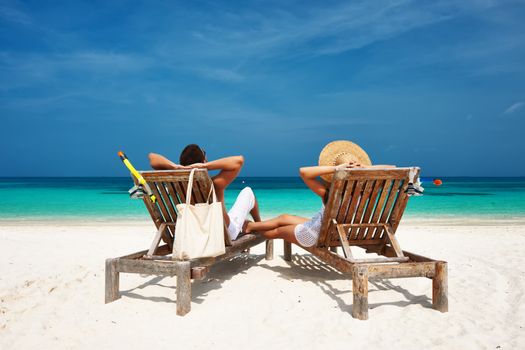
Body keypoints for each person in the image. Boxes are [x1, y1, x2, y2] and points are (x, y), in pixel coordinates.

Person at [244, 140, 394, 248]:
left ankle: (250, 233)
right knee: (284, 217)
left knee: (276, 231)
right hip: (339, 233)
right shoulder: (366, 192)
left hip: (317, 235)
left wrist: (336, 168)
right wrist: (366, 168)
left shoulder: (330, 193)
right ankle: (251, 226)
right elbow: (392, 168)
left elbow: (304, 172)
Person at [148, 144, 261, 241]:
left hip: (194, 234)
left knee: (235, 214)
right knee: (248, 192)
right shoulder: (215, 184)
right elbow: (239, 160)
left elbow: (152, 158)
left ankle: (253, 225)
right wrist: (205, 166)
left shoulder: (177, 185)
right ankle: (259, 226)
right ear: (202, 162)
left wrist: (176, 167)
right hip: (223, 234)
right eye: (205, 159)